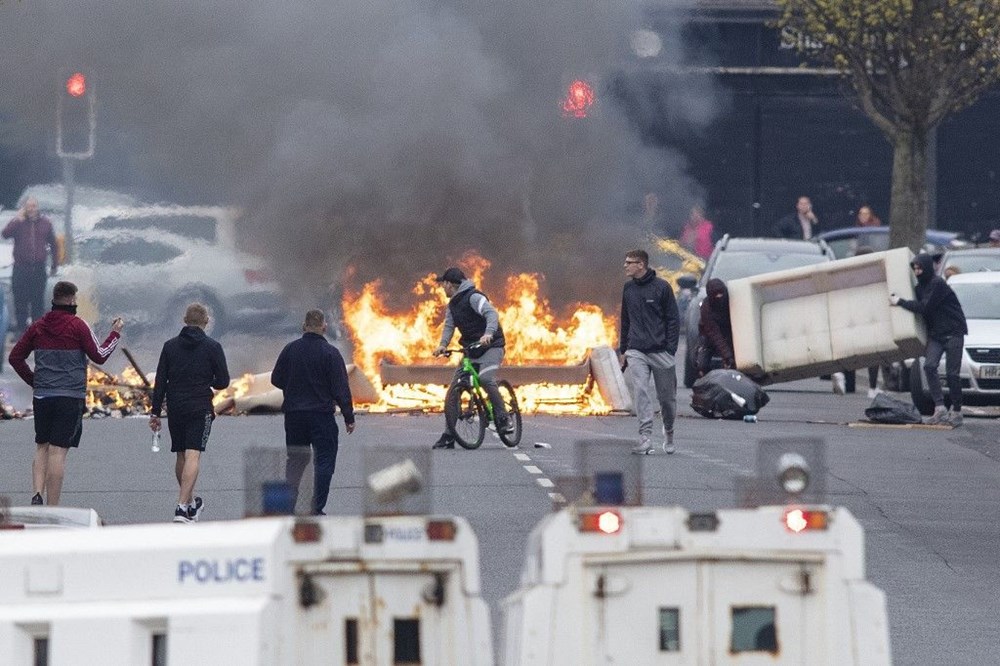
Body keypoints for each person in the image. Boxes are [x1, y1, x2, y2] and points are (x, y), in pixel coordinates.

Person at [7, 281, 123, 506]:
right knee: (58, 452)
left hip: (43, 396)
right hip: (69, 396)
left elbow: (15, 357)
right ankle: (53, 506)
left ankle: (37, 493)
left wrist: (34, 380)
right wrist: (115, 334)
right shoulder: (78, 325)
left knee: (42, 445)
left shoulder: (38, 326)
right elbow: (99, 355)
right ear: (71, 300)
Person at [148, 303, 230, 523]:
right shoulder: (213, 347)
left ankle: (191, 503)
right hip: (200, 406)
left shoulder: (169, 346)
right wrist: (206, 380)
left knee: (181, 454)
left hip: (176, 406)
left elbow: (160, 382)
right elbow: (223, 381)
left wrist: (155, 412)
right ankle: (181, 507)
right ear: (206, 322)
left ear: (184, 320)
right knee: (194, 453)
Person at [271, 309, 355, 515]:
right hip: (321, 416)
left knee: (296, 460)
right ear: (324, 328)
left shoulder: (290, 350)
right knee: (324, 460)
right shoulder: (331, 354)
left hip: (294, 416)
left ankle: (289, 506)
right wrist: (348, 417)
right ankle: (315, 507)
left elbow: (276, 379)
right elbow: (341, 389)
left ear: (304, 326)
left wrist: (293, 387)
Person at [431, 267, 512, 449]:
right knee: (453, 393)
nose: (442, 288)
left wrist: (488, 334)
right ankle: (449, 435)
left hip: (492, 347)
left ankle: (504, 419)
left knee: (485, 379)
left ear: (449, 284)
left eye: (443, 284)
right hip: (471, 349)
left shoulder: (474, 297)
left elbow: (491, 314)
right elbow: (449, 326)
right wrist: (443, 344)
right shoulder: (452, 305)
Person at [890, 253, 968, 426]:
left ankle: (956, 410)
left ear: (926, 267)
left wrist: (900, 302)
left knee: (952, 374)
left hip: (954, 332)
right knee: (929, 365)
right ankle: (940, 407)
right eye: (915, 269)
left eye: (920, 268)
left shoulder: (937, 284)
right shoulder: (920, 288)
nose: (917, 272)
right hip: (937, 334)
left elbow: (924, 307)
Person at [619, 249, 679, 455]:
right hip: (637, 350)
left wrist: (671, 349)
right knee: (641, 391)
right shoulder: (628, 289)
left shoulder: (662, 288)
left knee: (667, 399)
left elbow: (673, 320)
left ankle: (669, 430)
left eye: (629, 262)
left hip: (661, 351)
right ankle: (645, 437)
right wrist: (623, 349)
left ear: (641, 265)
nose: (625, 266)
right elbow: (625, 321)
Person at [2, 197, 59, 334]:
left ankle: (37, 332)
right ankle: (21, 332)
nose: (31, 209)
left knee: (37, 302)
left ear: (37, 207)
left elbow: (54, 244)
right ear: (24, 208)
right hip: (21, 268)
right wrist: (17, 220)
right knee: (20, 301)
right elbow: (5, 234)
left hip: (38, 269)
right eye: (28, 206)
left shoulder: (45, 223)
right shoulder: (18, 223)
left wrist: (54, 265)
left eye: (34, 206)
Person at [695, 278, 734, 376]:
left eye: (721, 293)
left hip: (731, 333)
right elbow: (713, 333)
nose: (719, 297)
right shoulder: (706, 307)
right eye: (716, 295)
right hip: (709, 337)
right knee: (701, 364)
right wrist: (726, 355)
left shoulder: (732, 300)